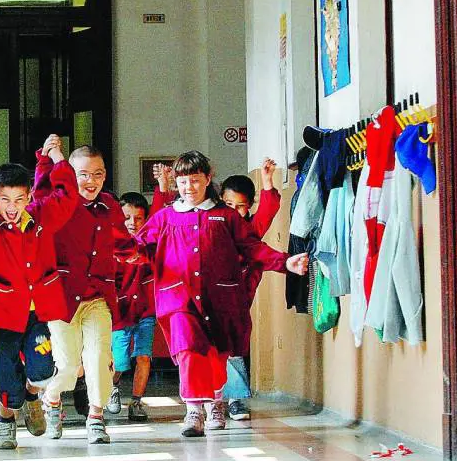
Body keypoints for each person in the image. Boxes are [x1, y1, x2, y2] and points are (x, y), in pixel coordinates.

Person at [134, 150, 308, 437]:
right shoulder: (166, 217)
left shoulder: (225, 217)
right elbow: (139, 246)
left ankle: (215, 400)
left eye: (195, 180)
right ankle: (193, 411)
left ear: (208, 178)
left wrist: (285, 262)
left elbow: (253, 247)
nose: (189, 187)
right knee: (188, 349)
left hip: (221, 300)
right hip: (179, 299)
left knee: (216, 356)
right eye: (183, 181)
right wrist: (122, 252)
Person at [0, 135, 78, 449]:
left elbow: (67, 197)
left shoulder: (41, 217)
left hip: (38, 313)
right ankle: (6, 419)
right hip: (3, 315)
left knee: (42, 371)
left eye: (19, 199)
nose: (12, 207)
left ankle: (33, 398)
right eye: (5, 200)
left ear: (29, 196)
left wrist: (57, 158)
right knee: (7, 377)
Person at [35, 145, 139, 444]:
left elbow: (121, 240)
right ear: (70, 175)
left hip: (98, 296)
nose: (90, 181)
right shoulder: (58, 202)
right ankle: (51, 398)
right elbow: (40, 193)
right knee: (68, 366)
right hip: (62, 297)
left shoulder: (109, 205)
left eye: (97, 174)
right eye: (82, 174)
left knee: (99, 358)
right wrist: (48, 159)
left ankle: (96, 417)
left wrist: (135, 254)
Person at [218, 158, 281, 425]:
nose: (234, 211)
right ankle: (211, 400)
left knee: (235, 346)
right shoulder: (213, 226)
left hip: (239, 300)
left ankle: (236, 399)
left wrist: (267, 182)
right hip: (212, 297)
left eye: (240, 206)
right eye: (228, 205)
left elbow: (268, 211)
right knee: (211, 349)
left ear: (249, 207)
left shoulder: (251, 230)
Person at [105, 192, 157, 422]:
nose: (132, 223)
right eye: (126, 217)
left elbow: (158, 215)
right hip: (120, 313)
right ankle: (112, 387)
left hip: (146, 310)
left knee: (144, 356)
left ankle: (136, 402)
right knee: (119, 361)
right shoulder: (111, 245)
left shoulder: (148, 243)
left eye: (138, 218)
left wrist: (162, 188)